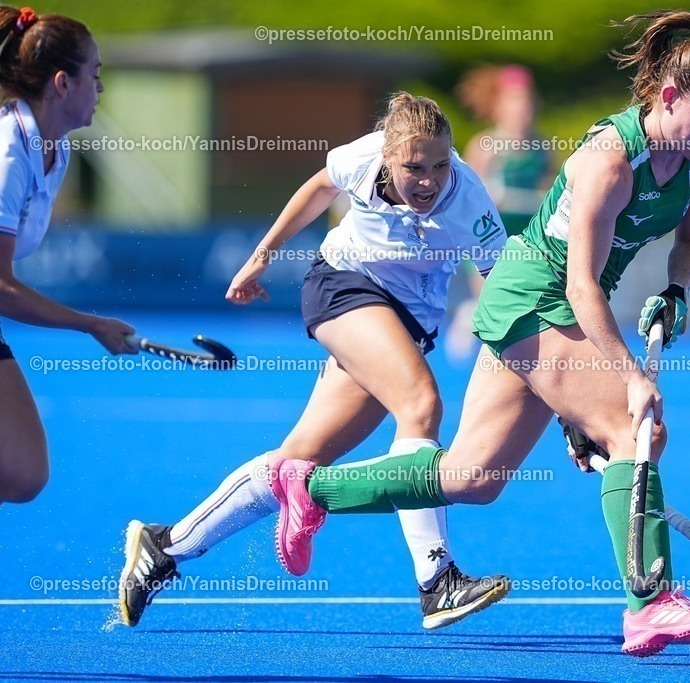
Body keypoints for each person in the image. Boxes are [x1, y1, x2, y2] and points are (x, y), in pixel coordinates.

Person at [269, 10, 690, 657]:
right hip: (535, 296)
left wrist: (676, 291)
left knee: (474, 477)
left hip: (556, 307)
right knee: (634, 429)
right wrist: (627, 378)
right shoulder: (610, 160)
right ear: (668, 97)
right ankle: (650, 603)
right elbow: (579, 288)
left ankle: (311, 487)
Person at [117, 93, 511, 630]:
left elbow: (501, 289)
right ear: (388, 156)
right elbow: (320, 186)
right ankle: (436, 580)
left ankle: (166, 545)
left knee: (298, 459)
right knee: (421, 406)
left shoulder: (469, 200)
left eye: (440, 166)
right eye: (414, 168)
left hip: (410, 321)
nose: (429, 181)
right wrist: (261, 257)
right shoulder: (363, 156)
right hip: (343, 286)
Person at [0, 6, 136, 504]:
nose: (99, 89)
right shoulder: (8, 154)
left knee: (23, 474)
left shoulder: (53, 150)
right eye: (94, 76)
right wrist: (89, 324)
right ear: (63, 83)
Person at [445, 64, 551, 362]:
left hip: (525, 241)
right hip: (487, 238)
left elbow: (549, 193)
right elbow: (464, 195)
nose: (522, 110)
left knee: (520, 309)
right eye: (515, 102)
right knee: (492, 301)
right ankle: (472, 318)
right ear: (499, 107)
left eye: (527, 102)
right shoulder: (485, 146)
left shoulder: (542, 148)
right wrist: (490, 195)